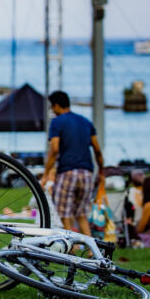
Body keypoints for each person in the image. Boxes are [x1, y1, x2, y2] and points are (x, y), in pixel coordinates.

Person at [42, 90, 104, 236]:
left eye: (52, 107)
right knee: (81, 214)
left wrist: (45, 174)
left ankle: (71, 249)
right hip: (87, 172)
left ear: (56, 105)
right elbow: (97, 149)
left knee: (65, 214)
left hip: (67, 172)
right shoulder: (85, 121)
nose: (52, 110)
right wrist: (101, 170)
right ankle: (90, 250)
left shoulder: (57, 122)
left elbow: (55, 149)